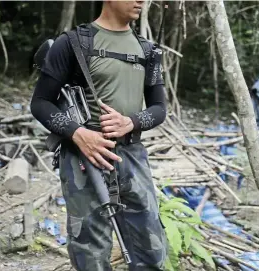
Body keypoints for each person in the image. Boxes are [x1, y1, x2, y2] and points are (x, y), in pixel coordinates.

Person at [29, 1, 168, 270]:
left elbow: (160, 108)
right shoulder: (71, 43)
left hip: (132, 156)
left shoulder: (148, 51)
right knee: (89, 250)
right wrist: (78, 133)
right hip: (84, 158)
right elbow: (40, 102)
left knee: (151, 246)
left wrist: (132, 121)